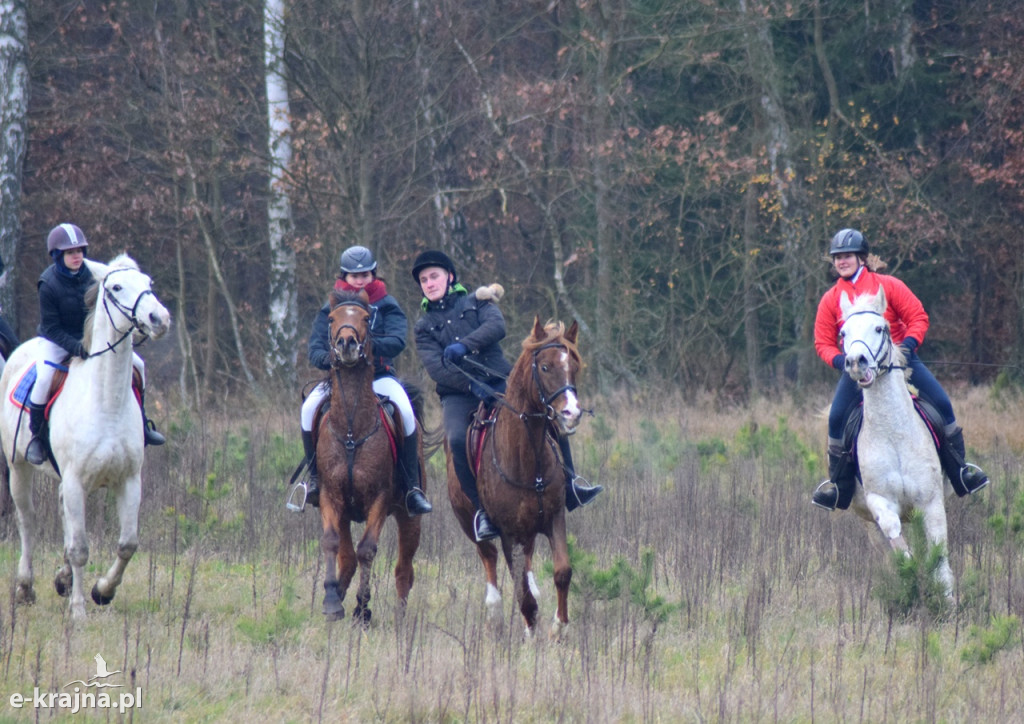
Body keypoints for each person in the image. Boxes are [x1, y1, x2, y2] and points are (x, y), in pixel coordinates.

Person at [411, 250, 602, 543]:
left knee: (545, 413)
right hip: (459, 395)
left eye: (434, 276)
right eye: (424, 280)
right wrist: (469, 387)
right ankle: (481, 512)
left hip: (501, 379)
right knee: (458, 438)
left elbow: (496, 327)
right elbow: (437, 368)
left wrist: (464, 346)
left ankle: (571, 483)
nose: (429, 283)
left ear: (450, 277)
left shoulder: (477, 302)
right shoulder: (423, 327)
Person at [811, 228, 989, 510]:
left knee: (942, 403)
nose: (841, 261)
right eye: (837, 257)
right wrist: (839, 361)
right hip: (858, 368)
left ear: (861, 258)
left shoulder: (889, 285)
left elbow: (917, 316)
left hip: (900, 359)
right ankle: (839, 486)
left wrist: (907, 345)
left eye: (846, 256)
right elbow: (822, 341)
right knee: (835, 419)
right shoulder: (831, 299)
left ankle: (960, 472)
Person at [299, 245, 431, 515]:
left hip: (379, 377)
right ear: (344, 277)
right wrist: (332, 358)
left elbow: (397, 341)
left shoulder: (387, 304)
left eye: (365, 275)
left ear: (373, 274)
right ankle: (313, 480)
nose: (359, 280)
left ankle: (411, 486)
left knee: (405, 412)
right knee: (308, 409)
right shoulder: (330, 308)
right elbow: (314, 348)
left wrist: (368, 346)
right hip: (339, 380)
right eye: (353, 276)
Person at [25, 223, 165, 466]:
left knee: (139, 366)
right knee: (44, 378)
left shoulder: (95, 275)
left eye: (79, 250)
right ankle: (36, 436)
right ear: (58, 256)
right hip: (57, 341)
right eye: (70, 252)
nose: (76, 255)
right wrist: (77, 348)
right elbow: (51, 328)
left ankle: (142, 422)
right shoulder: (47, 283)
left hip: (93, 340)